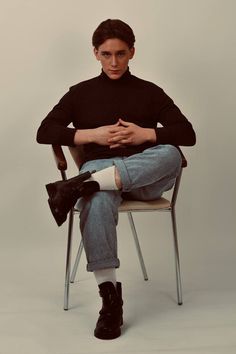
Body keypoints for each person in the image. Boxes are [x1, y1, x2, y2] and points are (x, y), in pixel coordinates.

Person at [36, 19, 196, 340]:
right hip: (102, 176)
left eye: (121, 54)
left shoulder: (150, 92)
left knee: (171, 154)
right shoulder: (80, 94)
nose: (113, 62)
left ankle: (87, 182)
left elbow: (187, 134)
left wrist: (144, 135)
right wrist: (90, 134)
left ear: (132, 52)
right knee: (97, 198)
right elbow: (45, 131)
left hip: (143, 179)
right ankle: (110, 301)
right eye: (106, 54)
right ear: (95, 53)